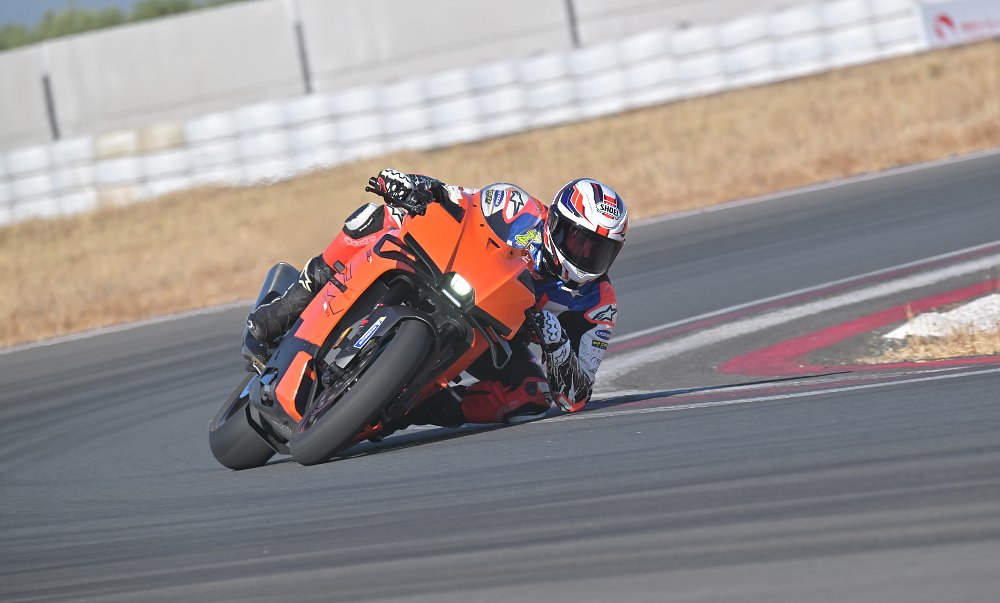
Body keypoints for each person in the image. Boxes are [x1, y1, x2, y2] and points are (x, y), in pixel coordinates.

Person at [247, 168, 628, 427]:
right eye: (577, 239)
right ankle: (289, 305)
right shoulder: (516, 206)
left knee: (532, 397)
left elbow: (576, 396)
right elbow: (455, 197)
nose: (583, 253)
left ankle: (415, 408)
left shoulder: (599, 304)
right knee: (377, 217)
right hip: (447, 273)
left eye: (598, 249)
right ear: (555, 222)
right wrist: (412, 185)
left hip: (494, 337)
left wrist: (556, 341)